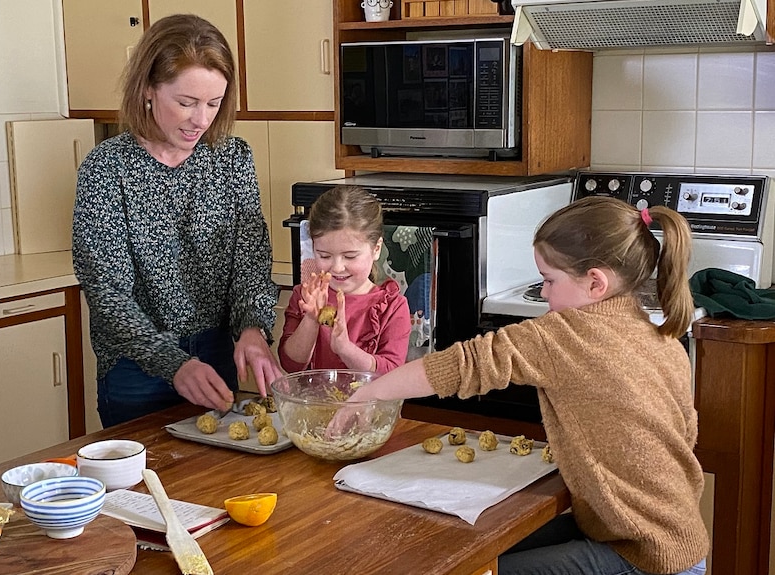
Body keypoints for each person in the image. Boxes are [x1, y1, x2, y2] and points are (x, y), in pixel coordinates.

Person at [339, 196, 709, 575]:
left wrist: (369, 392)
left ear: (596, 283)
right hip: (678, 544)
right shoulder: (661, 337)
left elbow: (463, 364)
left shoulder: (565, 335)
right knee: (481, 550)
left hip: (644, 556)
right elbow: (686, 433)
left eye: (549, 280)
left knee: (472, 567)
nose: (544, 293)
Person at [72, 14, 281, 428]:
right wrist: (173, 363)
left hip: (215, 351)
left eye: (214, 103)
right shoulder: (107, 168)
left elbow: (251, 264)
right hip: (135, 365)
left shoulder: (232, 158)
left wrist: (254, 328)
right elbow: (107, 292)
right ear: (148, 90)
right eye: (186, 102)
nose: (200, 119)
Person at [278, 185, 411, 374]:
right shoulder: (304, 296)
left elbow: (390, 374)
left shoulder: (393, 306)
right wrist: (311, 319)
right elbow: (290, 365)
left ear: (376, 249)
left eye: (350, 256)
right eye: (324, 255)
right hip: (313, 403)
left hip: (368, 404)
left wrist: (345, 349)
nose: (337, 267)